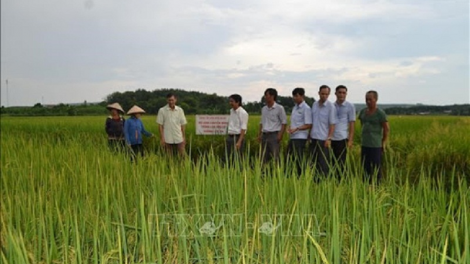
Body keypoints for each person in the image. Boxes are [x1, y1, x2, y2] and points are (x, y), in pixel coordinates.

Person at [358, 90, 389, 183]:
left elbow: (386, 128)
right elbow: (362, 123)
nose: (368, 101)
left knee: (376, 167)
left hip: (375, 145)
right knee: (365, 166)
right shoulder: (363, 111)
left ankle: (377, 186)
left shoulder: (380, 113)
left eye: (370, 99)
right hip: (365, 144)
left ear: (376, 99)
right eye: (366, 99)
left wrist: (383, 142)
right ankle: (366, 186)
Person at [310, 85, 337, 177]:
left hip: (323, 139)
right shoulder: (314, 105)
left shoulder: (331, 107)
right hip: (313, 138)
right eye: (322, 94)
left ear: (329, 94)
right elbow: (312, 122)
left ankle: (324, 182)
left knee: (323, 163)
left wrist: (329, 138)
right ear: (319, 93)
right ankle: (314, 181)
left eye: (326, 94)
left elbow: (332, 124)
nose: (324, 96)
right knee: (313, 161)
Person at [257, 88, 287, 164]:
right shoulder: (264, 109)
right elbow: (261, 122)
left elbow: (284, 122)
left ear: (272, 96)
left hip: (274, 135)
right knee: (263, 157)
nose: (265, 97)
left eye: (267, 95)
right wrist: (259, 134)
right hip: (264, 135)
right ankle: (263, 174)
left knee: (275, 157)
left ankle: (277, 174)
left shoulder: (279, 108)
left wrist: (280, 135)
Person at [286, 88, 312, 176]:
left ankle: (301, 176)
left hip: (300, 137)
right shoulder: (295, 107)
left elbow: (308, 124)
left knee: (299, 159)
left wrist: (296, 129)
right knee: (289, 157)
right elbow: (294, 122)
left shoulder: (306, 108)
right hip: (293, 136)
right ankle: (290, 176)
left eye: (297, 96)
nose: (295, 98)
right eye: (294, 96)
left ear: (302, 96)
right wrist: (290, 128)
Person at [332, 85, 356, 177]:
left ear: (346, 94)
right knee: (331, 161)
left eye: (344, 93)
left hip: (342, 138)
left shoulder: (350, 106)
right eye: (340, 92)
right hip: (331, 138)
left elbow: (352, 124)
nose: (342, 95)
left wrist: (350, 140)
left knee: (341, 163)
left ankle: (341, 182)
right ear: (335, 93)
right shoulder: (331, 106)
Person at [226, 94, 249, 161]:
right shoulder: (231, 111)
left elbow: (243, 128)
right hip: (230, 137)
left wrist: (239, 142)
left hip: (237, 138)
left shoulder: (243, 113)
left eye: (232, 101)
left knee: (237, 158)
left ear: (238, 102)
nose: (230, 103)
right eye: (230, 101)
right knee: (229, 157)